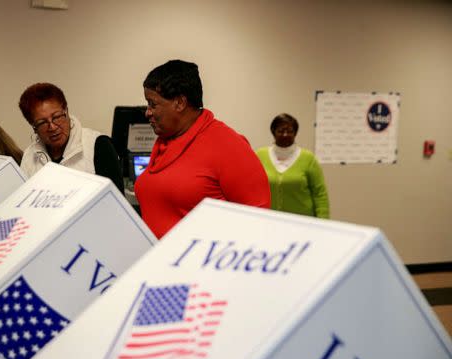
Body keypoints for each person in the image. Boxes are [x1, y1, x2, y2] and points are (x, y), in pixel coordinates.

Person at [134, 60, 271, 239]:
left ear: (180, 103)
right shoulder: (166, 142)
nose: (147, 112)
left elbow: (258, 220)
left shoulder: (228, 145)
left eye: (153, 104)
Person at [18, 82, 123, 192]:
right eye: (42, 123)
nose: (52, 127)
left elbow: (116, 201)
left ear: (66, 111)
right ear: (33, 126)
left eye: (57, 117)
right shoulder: (29, 156)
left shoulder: (98, 145)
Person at [256, 113, 329, 218]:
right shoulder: (260, 155)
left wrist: (324, 223)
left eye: (289, 131)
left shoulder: (308, 158)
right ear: (273, 132)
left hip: (303, 222)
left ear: (295, 133)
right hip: (269, 220)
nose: (285, 135)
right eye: (281, 131)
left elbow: (320, 194)